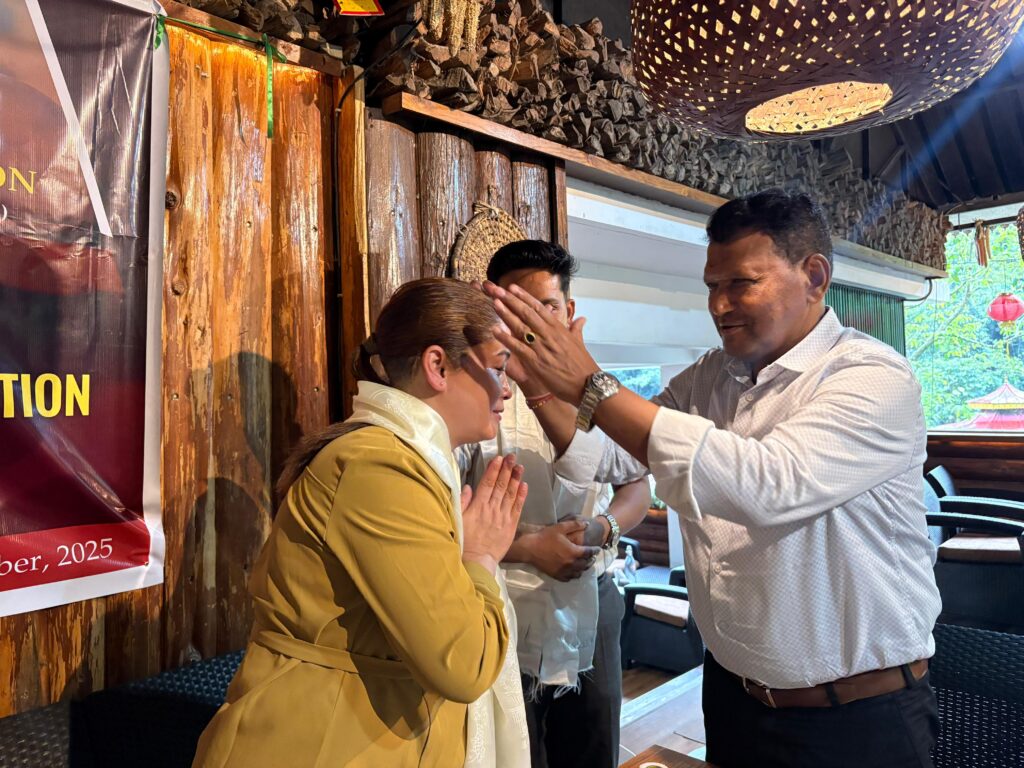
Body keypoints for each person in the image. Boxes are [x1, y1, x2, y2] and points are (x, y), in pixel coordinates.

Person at [484, 190, 943, 768]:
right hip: (733, 698)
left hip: (856, 716)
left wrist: (592, 383)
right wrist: (537, 381)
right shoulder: (709, 376)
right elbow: (613, 459)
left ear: (814, 277)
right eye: (711, 286)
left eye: (742, 283)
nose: (720, 305)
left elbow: (766, 487)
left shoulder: (871, 375)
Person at [193, 278, 531, 768]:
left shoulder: (406, 461)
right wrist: (479, 557)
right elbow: (464, 665)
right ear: (438, 366)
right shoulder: (380, 466)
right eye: (499, 368)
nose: (507, 390)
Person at [458, 241, 651, 768]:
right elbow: (444, 515)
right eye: (515, 306)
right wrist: (529, 547)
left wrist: (604, 527)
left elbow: (637, 485)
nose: (532, 322)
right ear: (495, 307)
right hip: (502, 598)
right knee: (517, 750)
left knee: (594, 746)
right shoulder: (478, 390)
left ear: (568, 311)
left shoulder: (600, 392)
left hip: (594, 595)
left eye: (545, 306)